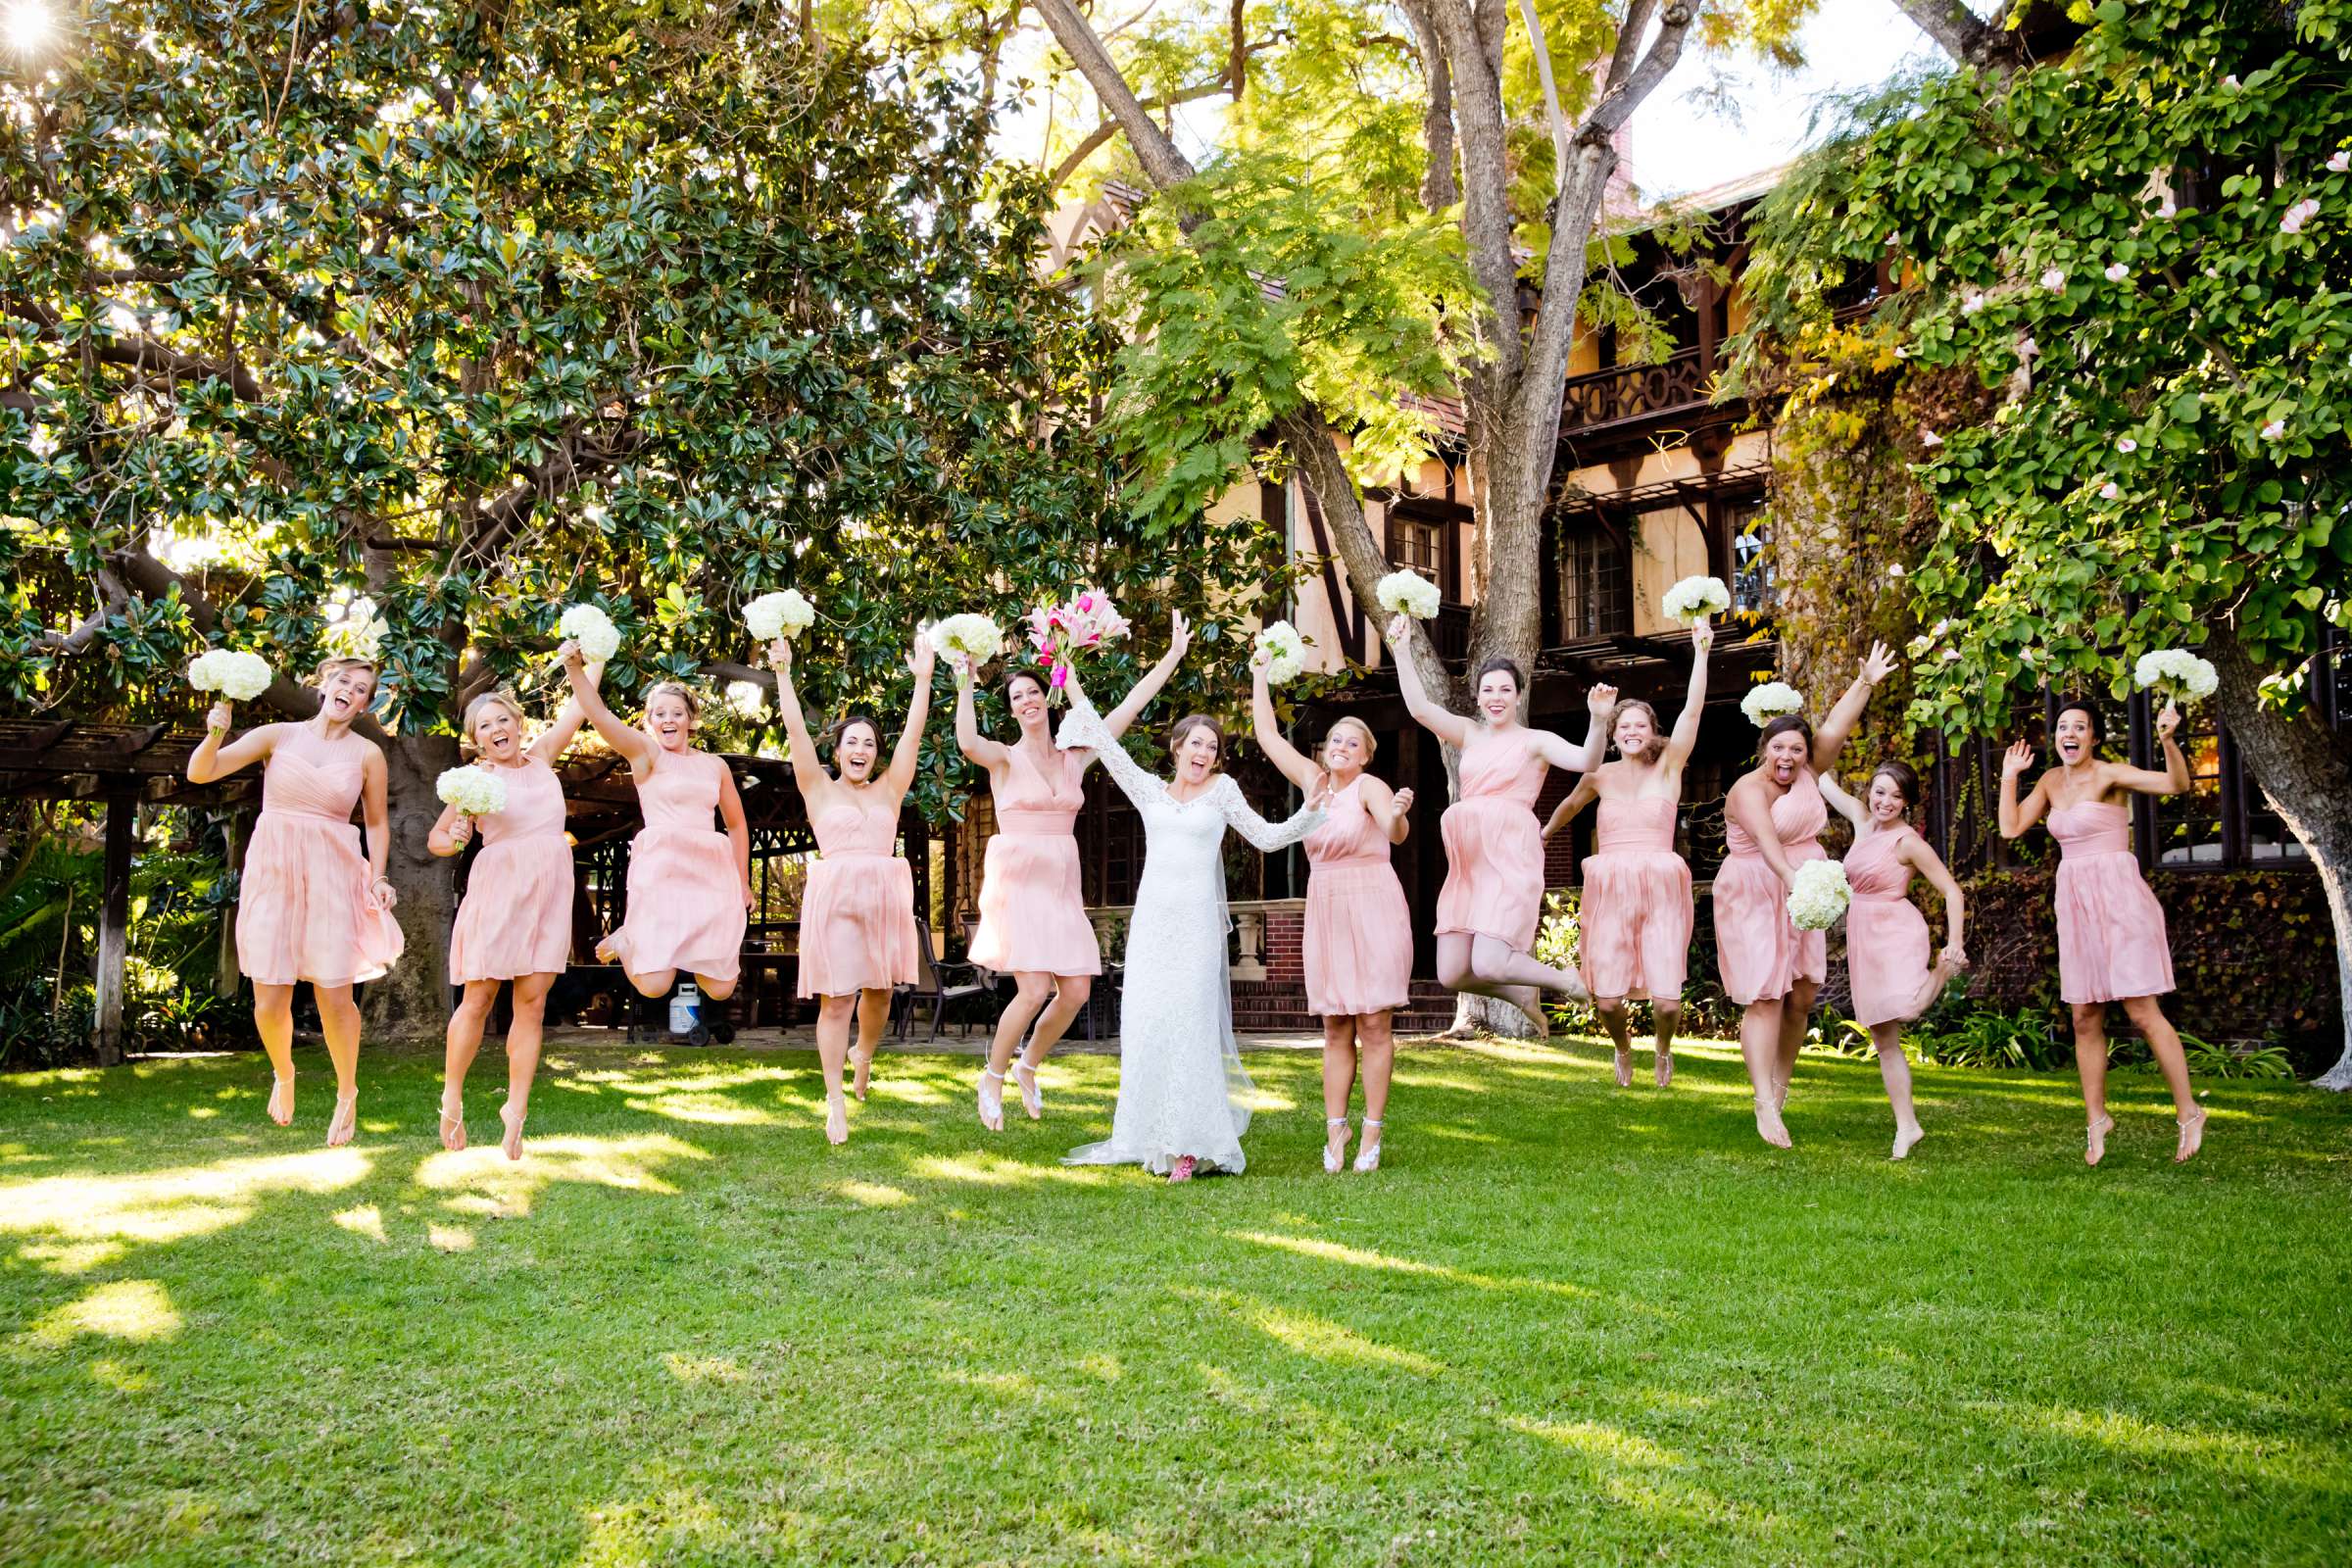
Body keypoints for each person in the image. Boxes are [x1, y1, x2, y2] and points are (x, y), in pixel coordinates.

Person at [1057, 663, 1326, 1182]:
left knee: (1190, 1029)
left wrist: (1309, 813)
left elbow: (1267, 838)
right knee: (1149, 1025)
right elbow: (1100, 736)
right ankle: (1153, 1136)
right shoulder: (1149, 791)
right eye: (1195, 744)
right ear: (1176, 747)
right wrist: (1065, 670)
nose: (1203, 754)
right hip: (1153, 927)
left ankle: (1191, 1143)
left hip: (1198, 930)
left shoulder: (1222, 793)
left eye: (1212, 747)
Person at [956, 614, 1193, 1131]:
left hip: (1061, 883)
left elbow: (1128, 710)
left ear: (1047, 696)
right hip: (1019, 880)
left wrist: (1172, 656)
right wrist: (963, 682)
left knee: (1078, 991)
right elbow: (967, 741)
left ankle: (1028, 1066)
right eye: (1016, 697)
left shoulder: (1073, 758)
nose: (1025, 701)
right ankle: (991, 1076)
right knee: (1034, 986)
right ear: (1013, 710)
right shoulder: (1003, 759)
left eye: (1032, 692)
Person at [185, 656, 403, 1146]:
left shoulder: (368, 755)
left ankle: (347, 1092)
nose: (351, 691)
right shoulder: (277, 736)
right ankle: (285, 1074)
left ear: (367, 703)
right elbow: (202, 773)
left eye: (363, 689)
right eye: (344, 681)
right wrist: (215, 733)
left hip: (333, 872)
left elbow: (375, 823)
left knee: (334, 996)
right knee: (268, 999)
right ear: (325, 685)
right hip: (275, 869)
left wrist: (378, 876)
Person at [1999, 699, 2203, 1164]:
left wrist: (2167, 739)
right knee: (2084, 1016)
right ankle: (2096, 1120)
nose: (2069, 734)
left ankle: (2189, 1112)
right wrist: (2011, 776)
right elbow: (2010, 828)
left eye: (2080, 727)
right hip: (2075, 903)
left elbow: (2176, 783)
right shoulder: (2051, 781)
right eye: (2062, 727)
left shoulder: (2110, 775)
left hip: (2119, 899)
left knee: (2142, 1010)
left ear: (2094, 737)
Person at [1386, 614, 1607, 1034]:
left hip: (1508, 858)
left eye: (1505, 689)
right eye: (1488, 690)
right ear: (1478, 696)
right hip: (1469, 863)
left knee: (1488, 960)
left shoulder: (1535, 741)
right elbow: (1419, 708)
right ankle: (1518, 993)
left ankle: (1565, 981)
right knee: (1452, 972)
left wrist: (1598, 719)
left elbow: (1587, 761)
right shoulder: (1469, 733)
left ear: (1519, 695)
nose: (1496, 697)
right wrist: (1400, 651)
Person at [1715, 643, 1897, 1147]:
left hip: (1802, 883)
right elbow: (1772, 850)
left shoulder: (1810, 771)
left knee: (1802, 994)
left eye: (1797, 749)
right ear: (1763, 751)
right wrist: (1797, 884)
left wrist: (1864, 681)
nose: (1788, 757)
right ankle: (1762, 1104)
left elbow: (1835, 727)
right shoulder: (1747, 791)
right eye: (1779, 748)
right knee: (1766, 994)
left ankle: (1779, 1086)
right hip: (1757, 887)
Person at [428, 663, 602, 1159]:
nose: (497, 730)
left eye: (503, 720)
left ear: (519, 725)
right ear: (476, 740)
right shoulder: (472, 779)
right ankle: (452, 1098)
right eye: (485, 725)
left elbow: (581, 704)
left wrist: (591, 657)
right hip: (500, 889)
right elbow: (437, 838)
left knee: (532, 1004)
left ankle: (516, 1113)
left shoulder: (544, 757)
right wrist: (454, 839)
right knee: (478, 999)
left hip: (549, 890)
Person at [1249, 656, 1414, 1172]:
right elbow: (1269, 737)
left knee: (1374, 1022)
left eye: (1352, 742)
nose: (1340, 747)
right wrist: (1258, 674)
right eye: (1335, 740)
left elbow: (1393, 831)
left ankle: (1373, 1133)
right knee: (1336, 1024)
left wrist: (1400, 812)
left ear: (1365, 756)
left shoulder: (1369, 788)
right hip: (1327, 908)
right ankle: (1335, 1127)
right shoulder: (1313, 782)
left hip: (1373, 905)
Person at [770, 631, 934, 1145]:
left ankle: (864, 1052)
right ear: (837, 751)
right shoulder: (816, 787)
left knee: (880, 994)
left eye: (869, 743)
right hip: (837, 899)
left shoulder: (890, 787)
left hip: (883, 899)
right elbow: (797, 732)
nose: (860, 749)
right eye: (852, 742)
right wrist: (782, 674)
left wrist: (924, 680)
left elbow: (912, 736)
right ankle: (835, 1101)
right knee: (837, 1000)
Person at [1543, 618, 1713, 1088]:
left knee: (1667, 1003)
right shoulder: (1600, 774)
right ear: (1614, 733)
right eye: (1624, 726)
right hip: (1611, 887)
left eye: (1640, 725)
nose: (1632, 732)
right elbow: (1570, 805)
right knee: (1610, 1001)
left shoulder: (1669, 767)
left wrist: (1700, 653)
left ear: (1652, 731)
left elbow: (1693, 713)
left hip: (1660, 883)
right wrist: (1544, 833)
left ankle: (1662, 1048)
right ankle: (1621, 1049)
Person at [563, 653, 753, 1013]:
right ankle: (629, 940)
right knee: (653, 986)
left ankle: (667, 947)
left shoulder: (715, 766)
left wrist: (742, 880)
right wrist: (574, 668)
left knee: (721, 987)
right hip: (663, 869)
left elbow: (737, 824)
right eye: (659, 714)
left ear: (691, 720)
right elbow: (599, 714)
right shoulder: (646, 754)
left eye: (677, 713)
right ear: (649, 721)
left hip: (711, 873)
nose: (669, 720)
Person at [1818, 763, 1967, 1159]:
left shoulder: (1907, 842)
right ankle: (1907, 1126)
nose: (1885, 802)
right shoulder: (1862, 821)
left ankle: (1942, 970)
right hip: (1863, 936)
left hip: (1895, 929)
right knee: (1884, 1037)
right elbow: (1822, 780)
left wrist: (1955, 942)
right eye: (1880, 792)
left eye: (1896, 796)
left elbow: (1953, 891)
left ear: (1906, 802)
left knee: (1911, 1007)